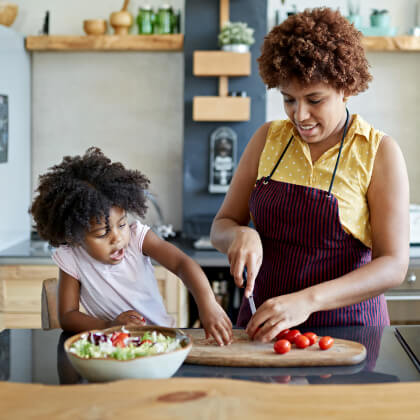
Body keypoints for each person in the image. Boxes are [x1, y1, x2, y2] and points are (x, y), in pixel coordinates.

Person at [210, 7, 409, 342]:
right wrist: (240, 235)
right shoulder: (267, 139)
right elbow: (222, 225)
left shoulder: (377, 151)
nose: (300, 115)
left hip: (349, 333)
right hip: (264, 328)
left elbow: (393, 265)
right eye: (289, 100)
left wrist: (307, 301)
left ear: (346, 88)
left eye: (314, 100)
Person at [31, 147, 232, 346]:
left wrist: (208, 304)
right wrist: (110, 325)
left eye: (122, 224)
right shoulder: (72, 257)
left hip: (162, 341)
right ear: (75, 237)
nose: (117, 238)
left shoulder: (137, 238)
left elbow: (182, 263)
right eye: (102, 233)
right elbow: (67, 315)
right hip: (112, 347)